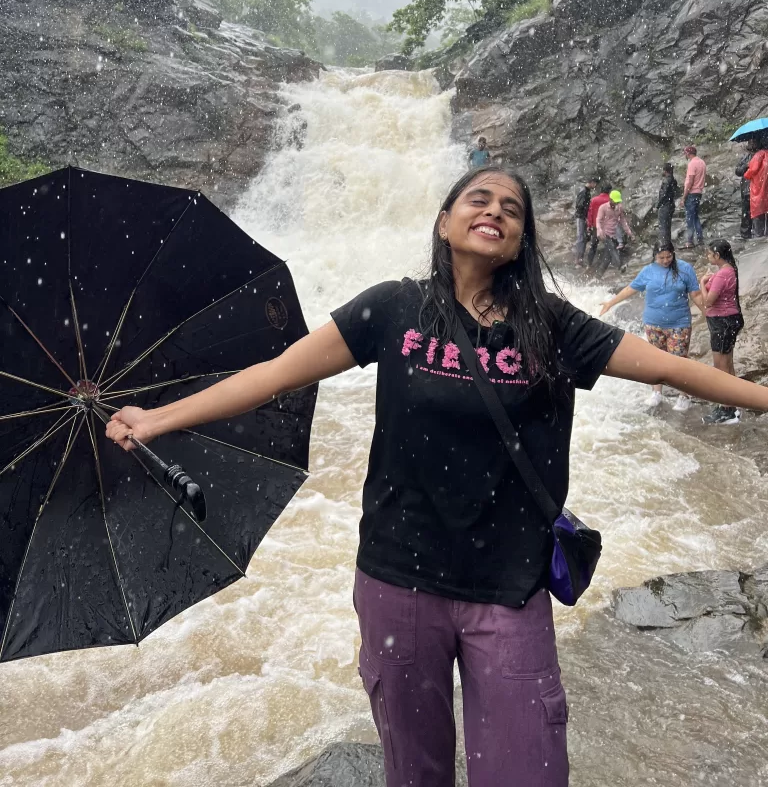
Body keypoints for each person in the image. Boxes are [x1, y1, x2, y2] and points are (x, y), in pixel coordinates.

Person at [106, 166, 768, 787]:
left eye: (512, 209)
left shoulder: (553, 327)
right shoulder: (393, 309)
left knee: (528, 769)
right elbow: (275, 375)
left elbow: (670, 369)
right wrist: (159, 419)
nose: (495, 211)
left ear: (520, 241)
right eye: (479, 199)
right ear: (446, 220)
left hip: (508, 584)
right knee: (415, 771)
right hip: (399, 578)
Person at [599, 243, 703, 410]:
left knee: (679, 360)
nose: (665, 260)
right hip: (653, 323)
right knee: (656, 359)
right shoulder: (648, 271)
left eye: (669, 256)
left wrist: (708, 313)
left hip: (679, 323)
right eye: (661, 257)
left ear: (673, 254)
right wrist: (611, 303)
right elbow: (630, 289)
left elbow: (696, 294)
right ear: (655, 256)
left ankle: (684, 395)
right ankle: (656, 392)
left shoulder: (685, 269)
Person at [699, 238, 745, 425]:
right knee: (728, 363)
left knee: (721, 366)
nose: (708, 257)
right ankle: (733, 404)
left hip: (722, 322)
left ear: (717, 255)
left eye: (710, 254)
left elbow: (708, 301)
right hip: (729, 320)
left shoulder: (722, 275)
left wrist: (702, 283)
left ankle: (727, 409)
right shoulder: (729, 271)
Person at [595, 190, 634, 275]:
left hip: (613, 234)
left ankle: (598, 275)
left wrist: (629, 233)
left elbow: (623, 221)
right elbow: (598, 220)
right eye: (614, 201)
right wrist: (599, 229)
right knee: (612, 248)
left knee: (607, 257)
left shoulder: (619, 208)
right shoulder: (603, 207)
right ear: (610, 199)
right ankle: (620, 266)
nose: (616, 203)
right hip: (604, 234)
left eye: (617, 202)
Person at [681, 145, 706, 248]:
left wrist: (684, 197)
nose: (685, 155)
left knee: (690, 218)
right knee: (695, 217)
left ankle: (690, 241)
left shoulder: (692, 164)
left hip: (691, 193)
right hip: (699, 192)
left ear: (688, 153)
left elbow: (690, 181)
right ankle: (700, 239)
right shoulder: (702, 162)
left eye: (685, 153)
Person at [743, 134, 768, 237]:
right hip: (765, 188)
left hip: (759, 189)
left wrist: (746, 171)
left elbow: (751, 171)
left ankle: (759, 237)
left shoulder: (759, 155)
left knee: (759, 216)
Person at [585, 182, 611, 268]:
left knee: (593, 246)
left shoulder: (594, 200)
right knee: (609, 246)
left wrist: (589, 226)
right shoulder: (610, 201)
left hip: (596, 226)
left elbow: (590, 214)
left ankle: (589, 264)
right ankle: (607, 264)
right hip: (607, 226)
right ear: (609, 191)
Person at [735, 140, 757, 240]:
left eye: (753, 143)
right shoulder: (745, 157)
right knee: (746, 212)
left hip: (759, 187)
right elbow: (737, 171)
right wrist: (746, 166)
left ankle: (758, 232)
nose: (751, 145)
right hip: (746, 189)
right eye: (750, 143)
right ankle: (745, 234)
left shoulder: (762, 155)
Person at [573, 177, 597, 266]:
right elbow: (579, 206)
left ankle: (580, 258)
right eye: (594, 183)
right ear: (590, 182)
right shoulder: (584, 192)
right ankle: (578, 259)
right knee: (581, 237)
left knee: (583, 237)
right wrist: (585, 216)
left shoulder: (586, 192)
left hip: (583, 216)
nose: (595, 185)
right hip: (581, 217)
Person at [657, 162, 679, 244]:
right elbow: (676, 192)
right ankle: (668, 243)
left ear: (665, 171)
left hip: (665, 206)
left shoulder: (666, 181)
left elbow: (663, 194)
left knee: (663, 227)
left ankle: (664, 244)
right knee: (668, 226)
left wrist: (658, 205)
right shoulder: (674, 180)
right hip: (671, 205)